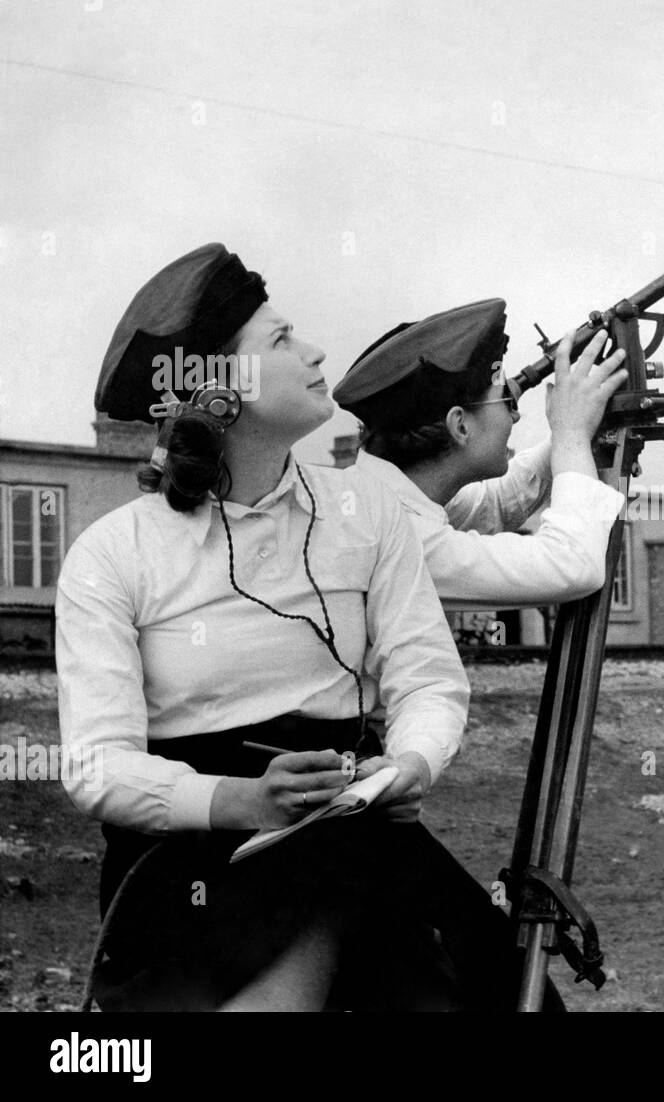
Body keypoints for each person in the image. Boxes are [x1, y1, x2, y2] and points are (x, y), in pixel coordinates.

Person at [57, 243, 548, 1011]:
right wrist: (243, 801)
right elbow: (96, 766)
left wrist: (409, 765)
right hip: (192, 857)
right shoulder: (113, 554)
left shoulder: (369, 511)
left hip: (352, 824)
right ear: (219, 392)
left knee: (501, 990)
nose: (316, 351)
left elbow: (427, 679)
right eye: (281, 340)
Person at [331, 301, 627, 611]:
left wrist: (574, 425)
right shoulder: (392, 535)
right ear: (460, 426)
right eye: (505, 402)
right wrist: (572, 438)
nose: (515, 418)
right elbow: (571, 565)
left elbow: (494, 503)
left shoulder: (380, 495)